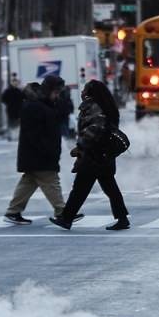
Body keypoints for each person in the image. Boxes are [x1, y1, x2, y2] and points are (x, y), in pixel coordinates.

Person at [4, 76, 84, 224]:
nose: (57, 95)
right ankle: (62, 212)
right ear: (48, 91)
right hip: (39, 154)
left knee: (29, 182)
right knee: (51, 181)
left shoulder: (44, 104)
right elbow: (34, 135)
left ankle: (13, 211)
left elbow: (63, 111)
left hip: (35, 154)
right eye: (56, 92)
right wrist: (48, 151)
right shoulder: (35, 107)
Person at [50, 80, 129, 231]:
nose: (82, 92)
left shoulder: (94, 107)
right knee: (105, 188)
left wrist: (80, 146)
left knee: (81, 188)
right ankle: (122, 218)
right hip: (102, 156)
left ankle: (67, 218)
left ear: (90, 92)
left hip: (95, 155)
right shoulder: (103, 105)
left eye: (84, 89)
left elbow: (94, 129)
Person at [1, 74, 25, 142]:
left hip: (16, 109)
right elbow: (3, 99)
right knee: (12, 122)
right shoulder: (9, 91)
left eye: (16, 82)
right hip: (12, 109)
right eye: (14, 82)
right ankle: (12, 136)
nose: (15, 83)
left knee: (16, 123)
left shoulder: (18, 91)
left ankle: (14, 136)